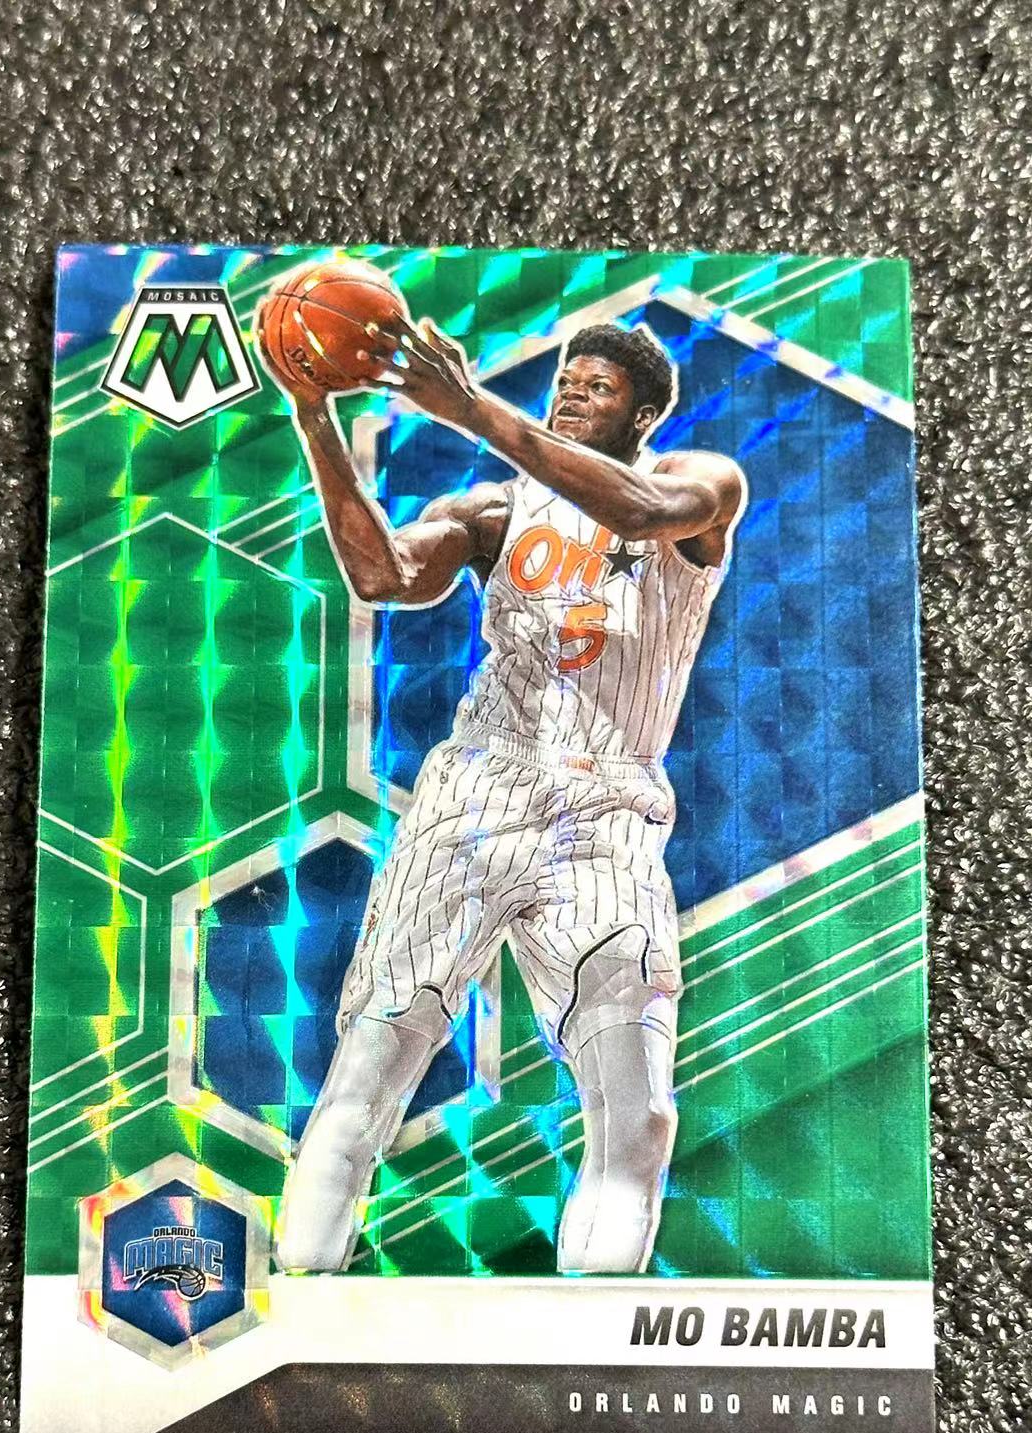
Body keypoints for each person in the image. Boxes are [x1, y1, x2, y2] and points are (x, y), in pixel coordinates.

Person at [254, 300, 746, 1274]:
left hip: (610, 806)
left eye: (598, 386)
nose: (573, 393)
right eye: (566, 379)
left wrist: (472, 407)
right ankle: (303, 1281)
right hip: (482, 790)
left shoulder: (698, 482)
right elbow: (383, 576)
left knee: (638, 1105)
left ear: (644, 413)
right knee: (375, 1059)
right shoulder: (494, 508)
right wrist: (315, 416)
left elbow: (638, 513)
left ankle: (598, 1319)